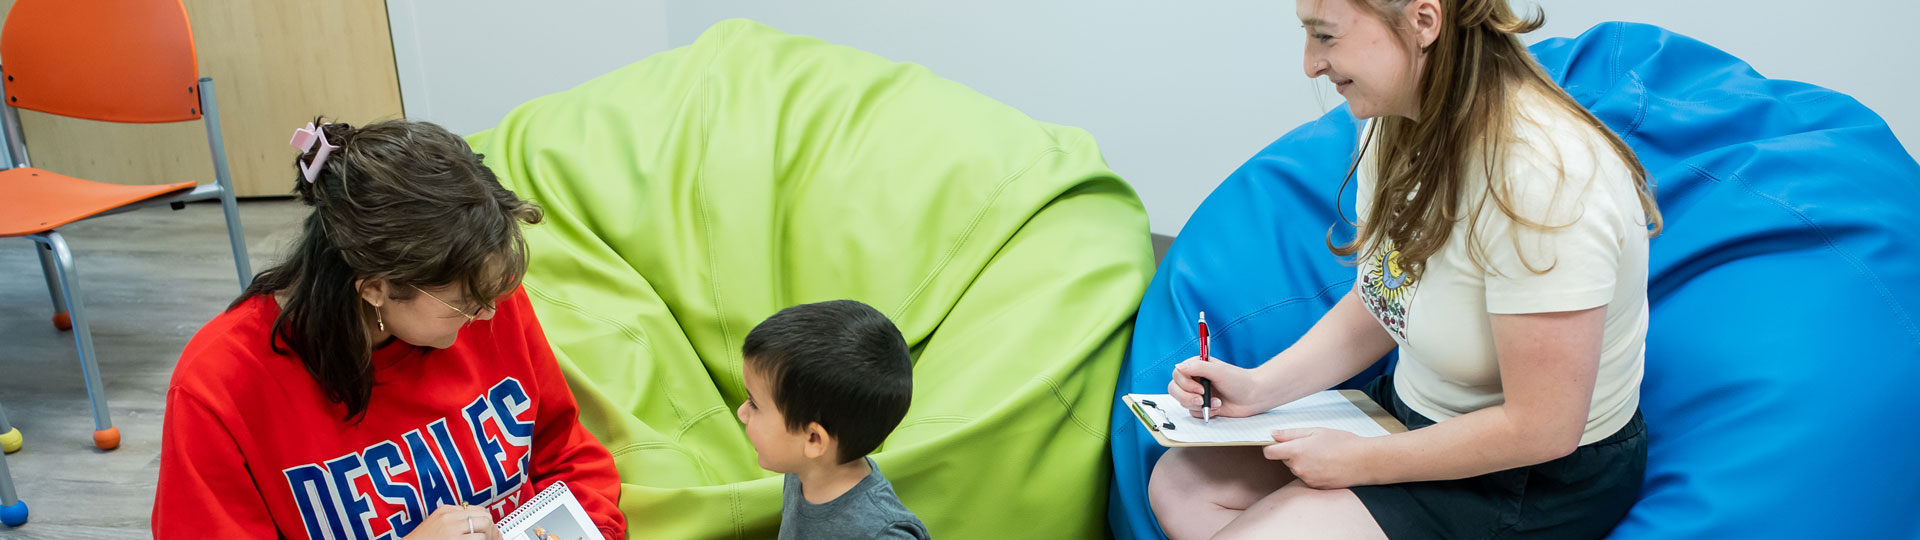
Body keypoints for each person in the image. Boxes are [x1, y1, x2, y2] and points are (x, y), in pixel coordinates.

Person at [1147, 0, 1661, 538]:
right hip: (1415, 410)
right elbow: (1384, 299)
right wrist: (1258, 389)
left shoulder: (1541, 182)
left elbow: (1543, 429)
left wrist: (1360, 462)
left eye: (1325, 36)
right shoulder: (1394, 123)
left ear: (1423, 21)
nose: (1310, 65)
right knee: (1181, 488)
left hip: (1533, 474)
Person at [152, 119, 626, 540]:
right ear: (375, 289)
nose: (488, 316)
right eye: (464, 304)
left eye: (496, 291)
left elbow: (567, 458)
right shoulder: (218, 387)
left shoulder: (483, 293)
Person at [735, 300, 931, 539]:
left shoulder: (883, 533)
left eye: (754, 403)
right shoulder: (800, 469)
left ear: (814, 439)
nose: (741, 413)